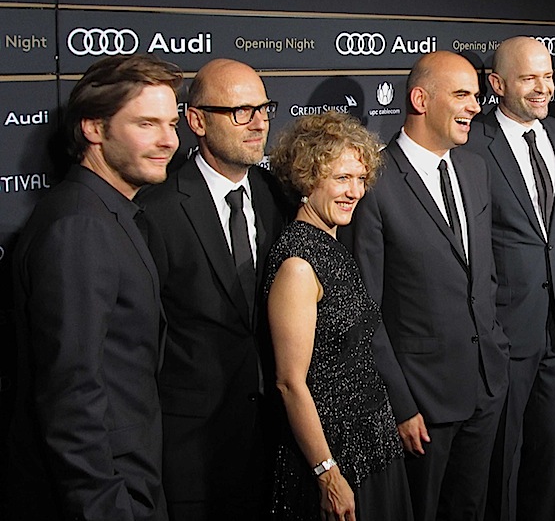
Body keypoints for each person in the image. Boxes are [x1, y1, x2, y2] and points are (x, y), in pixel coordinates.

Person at [8, 54, 182, 521]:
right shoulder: (79, 227)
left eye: (172, 123)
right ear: (93, 128)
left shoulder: (109, 212)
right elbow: (71, 396)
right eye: (147, 124)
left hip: (133, 479)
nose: (169, 140)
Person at [350, 51, 509, 521]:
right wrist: (399, 404)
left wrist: (495, 354)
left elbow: (484, 275)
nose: (475, 107)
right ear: (420, 99)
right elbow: (366, 310)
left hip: (485, 385)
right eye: (462, 95)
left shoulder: (475, 168)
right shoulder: (373, 183)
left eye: (476, 96)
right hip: (422, 406)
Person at [140, 59, 289, 520]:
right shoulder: (156, 210)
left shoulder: (274, 193)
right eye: (241, 111)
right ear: (197, 120)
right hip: (192, 455)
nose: (259, 122)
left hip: (273, 443)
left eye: (263, 108)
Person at [264, 111, 411, 521]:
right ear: (308, 180)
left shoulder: (333, 245)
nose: (355, 191)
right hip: (335, 455)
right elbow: (290, 383)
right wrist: (328, 473)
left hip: (373, 443)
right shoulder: (298, 264)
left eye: (360, 179)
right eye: (342, 179)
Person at [466, 37, 555, 521]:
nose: (544, 87)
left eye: (549, 76)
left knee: (548, 457)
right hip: (505, 332)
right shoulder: (471, 143)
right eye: (530, 78)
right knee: (502, 463)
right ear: (496, 84)